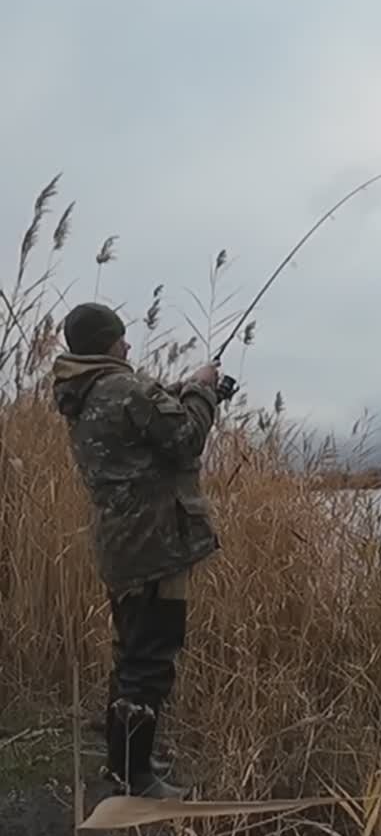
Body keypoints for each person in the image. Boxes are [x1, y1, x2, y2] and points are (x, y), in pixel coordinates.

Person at [53, 302, 223, 798]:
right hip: (155, 545)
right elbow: (186, 438)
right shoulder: (123, 387)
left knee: (131, 653)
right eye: (121, 338)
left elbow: (139, 428)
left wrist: (180, 392)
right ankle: (136, 775)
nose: (127, 346)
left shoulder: (83, 392)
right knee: (150, 658)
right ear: (106, 342)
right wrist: (203, 390)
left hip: (122, 544)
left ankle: (121, 761)